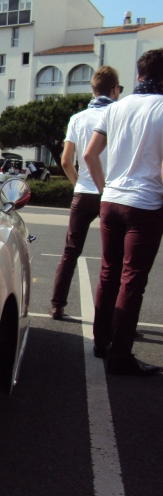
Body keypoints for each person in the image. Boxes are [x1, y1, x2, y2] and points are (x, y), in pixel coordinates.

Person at [83, 49, 163, 376]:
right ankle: (120, 354)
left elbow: (89, 155)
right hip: (144, 204)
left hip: (111, 199)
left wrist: (105, 189)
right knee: (132, 280)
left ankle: (101, 342)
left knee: (108, 272)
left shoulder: (116, 108)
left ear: (139, 75)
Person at [49, 66, 121, 320]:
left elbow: (66, 160)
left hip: (83, 192)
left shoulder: (78, 119)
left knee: (70, 251)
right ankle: (114, 315)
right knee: (113, 258)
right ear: (114, 89)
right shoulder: (117, 115)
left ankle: (57, 304)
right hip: (111, 193)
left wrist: (79, 183)